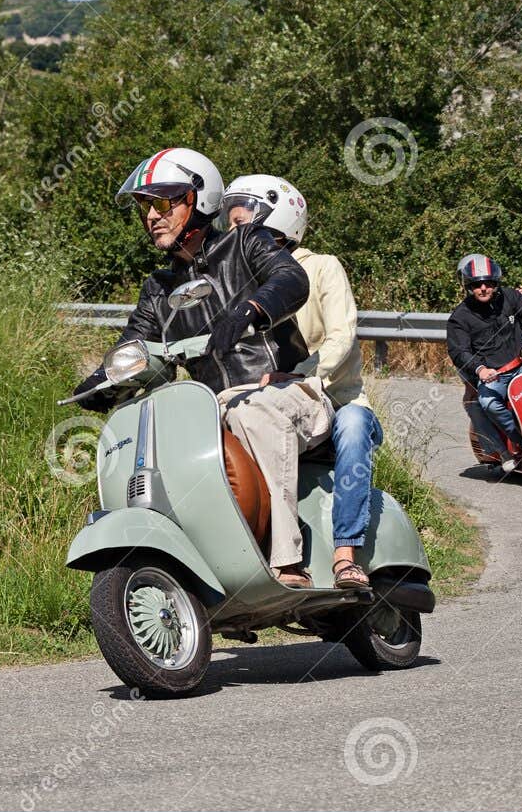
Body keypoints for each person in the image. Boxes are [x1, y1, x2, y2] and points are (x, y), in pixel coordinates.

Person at [70, 148, 333, 588]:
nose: (151, 216)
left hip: (290, 394)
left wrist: (250, 309)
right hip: (216, 408)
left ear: (199, 199)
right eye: (144, 207)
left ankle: (288, 562)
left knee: (252, 410)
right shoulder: (159, 288)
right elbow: (132, 344)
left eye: (162, 202)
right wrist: (99, 381)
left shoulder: (247, 242)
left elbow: (291, 280)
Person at [222, 174, 377, 590]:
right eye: (231, 225)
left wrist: (304, 375)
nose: (234, 234)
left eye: (243, 223)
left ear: (282, 219)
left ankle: (346, 555)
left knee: (354, 427)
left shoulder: (321, 267)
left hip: (338, 400)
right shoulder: (246, 284)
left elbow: (342, 336)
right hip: (278, 400)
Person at [446, 254, 522, 472]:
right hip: (496, 374)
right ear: (468, 286)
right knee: (487, 403)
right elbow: (459, 351)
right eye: (477, 284)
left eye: (488, 283)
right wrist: (481, 369)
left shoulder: (510, 298)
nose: (483, 288)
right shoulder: (460, 317)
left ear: (496, 283)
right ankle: (518, 443)